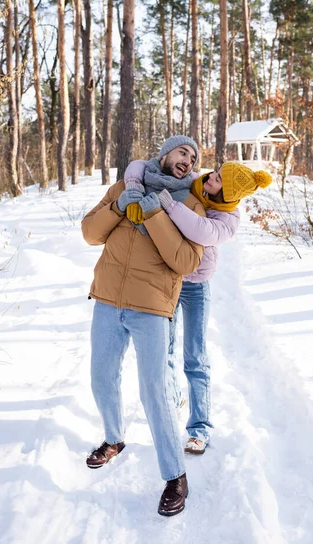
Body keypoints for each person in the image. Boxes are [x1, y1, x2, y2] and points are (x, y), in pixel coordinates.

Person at [81, 135, 206, 517]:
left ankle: (175, 476)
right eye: (182, 151)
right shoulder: (124, 186)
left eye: (194, 157)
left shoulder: (190, 202)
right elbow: (90, 233)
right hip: (107, 299)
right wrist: (119, 205)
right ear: (164, 154)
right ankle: (114, 440)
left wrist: (154, 215)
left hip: (151, 307)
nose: (187, 159)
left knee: (153, 391)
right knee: (101, 377)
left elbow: (186, 261)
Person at [124, 161, 272, 454]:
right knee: (162, 349)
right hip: (166, 279)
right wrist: (132, 186)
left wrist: (173, 207)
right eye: (214, 173)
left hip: (194, 287)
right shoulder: (195, 182)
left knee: (195, 355)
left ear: (227, 193)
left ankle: (199, 428)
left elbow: (202, 231)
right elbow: (140, 165)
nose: (209, 178)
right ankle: (174, 397)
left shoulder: (229, 218)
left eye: (217, 180)